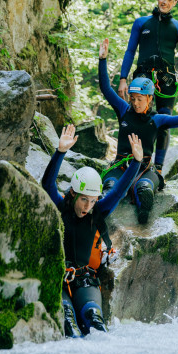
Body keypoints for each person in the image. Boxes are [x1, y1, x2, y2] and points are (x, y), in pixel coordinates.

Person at [42, 124, 143, 338]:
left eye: (92, 200)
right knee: (67, 320)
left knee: (95, 321)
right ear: (73, 194)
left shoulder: (97, 212)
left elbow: (119, 190)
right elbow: (47, 184)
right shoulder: (61, 207)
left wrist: (136, 162)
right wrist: (60, 152)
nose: (87, 206)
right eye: (83, 200)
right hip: (58, 279)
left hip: (86, 280)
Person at [99, 38, 178, 224]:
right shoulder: (123, 110)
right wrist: (102, 59)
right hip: (121, 166)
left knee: (145, 188)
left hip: (144, 169)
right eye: (133, 98)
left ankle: (143, 212)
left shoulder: (157, 119)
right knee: (110, 187)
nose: (135, 103)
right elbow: (106, 88)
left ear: (150, 99)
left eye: (140, 99)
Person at [117, 0, 178, 175]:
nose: (164, 2)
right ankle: (134, 159)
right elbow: (130, 50)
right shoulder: (141, 23)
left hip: (166, 82)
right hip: (142, 79)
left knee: (164, 122)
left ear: (174, 2)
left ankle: (157, 167)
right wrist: (123, 78)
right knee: (139, 118)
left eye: (169, 0)